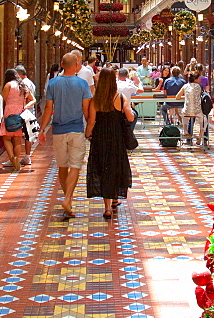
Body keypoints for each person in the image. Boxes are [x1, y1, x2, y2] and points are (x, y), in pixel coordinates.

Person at [38, 52, 91, 218]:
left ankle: (67, 199)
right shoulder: (82, 84)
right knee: (75, 165)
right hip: (76, 129)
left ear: (62, 64)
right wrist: (90, 127)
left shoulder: (53, 83)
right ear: (76, 66)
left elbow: (48, 109)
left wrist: (42, 129)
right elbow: (86, 109)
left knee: (62, 165)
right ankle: (68, 199)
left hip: (58, 130)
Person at [85, 67, 134, 220]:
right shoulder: (120, 98)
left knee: (104, 168)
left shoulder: (96, 100)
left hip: (100, 138)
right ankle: (115, 199)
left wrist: (87, 134)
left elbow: (91, 121)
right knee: (114, 167)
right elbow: (131, 118)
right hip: (116, 138)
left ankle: (107, 208)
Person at [0, 68, 35, 172]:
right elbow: (33, 99)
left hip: (9, 112)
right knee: (17, 139)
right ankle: (17, 158)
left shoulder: (9, 85)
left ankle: (12, 158)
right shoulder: (23, 86)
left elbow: (2, 99)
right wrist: (25, 106)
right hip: (21, 113)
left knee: (6, 138)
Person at [15, 65, 36, 166]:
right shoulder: (30, 82)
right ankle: (26, 156)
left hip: (25, 113)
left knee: (24, 135)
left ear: (19, 74)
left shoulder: (24, 84)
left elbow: (29, 98)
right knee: (28, 135)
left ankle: (23, 157)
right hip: (29, 112)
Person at [179, 70, 205, 146]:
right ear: (195, 79)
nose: (200, 80)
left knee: (183, 115)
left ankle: (185, 130)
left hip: (187, 111)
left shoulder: (185, 86)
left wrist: (186, 96)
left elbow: (178, 96)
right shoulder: (199, 86)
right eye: (199, 78)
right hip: (197, 111)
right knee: (204, 120)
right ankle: (200, 136)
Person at [117, 67, 139, 134]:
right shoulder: (129, 84)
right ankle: (129, 132)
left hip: (114, 109)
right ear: (127, 76)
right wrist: (138, 83)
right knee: (134, 115)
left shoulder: (113, 83)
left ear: (118, 75)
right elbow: (140, 90)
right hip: (125, 109)